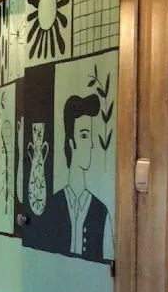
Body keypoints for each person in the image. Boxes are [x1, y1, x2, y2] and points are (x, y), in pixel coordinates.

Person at [37, 93, 114, 262]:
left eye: (90, 136)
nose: (91, 144)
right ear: (71, 142)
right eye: (84, 135)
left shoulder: (101, 213)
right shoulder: (52, 207)